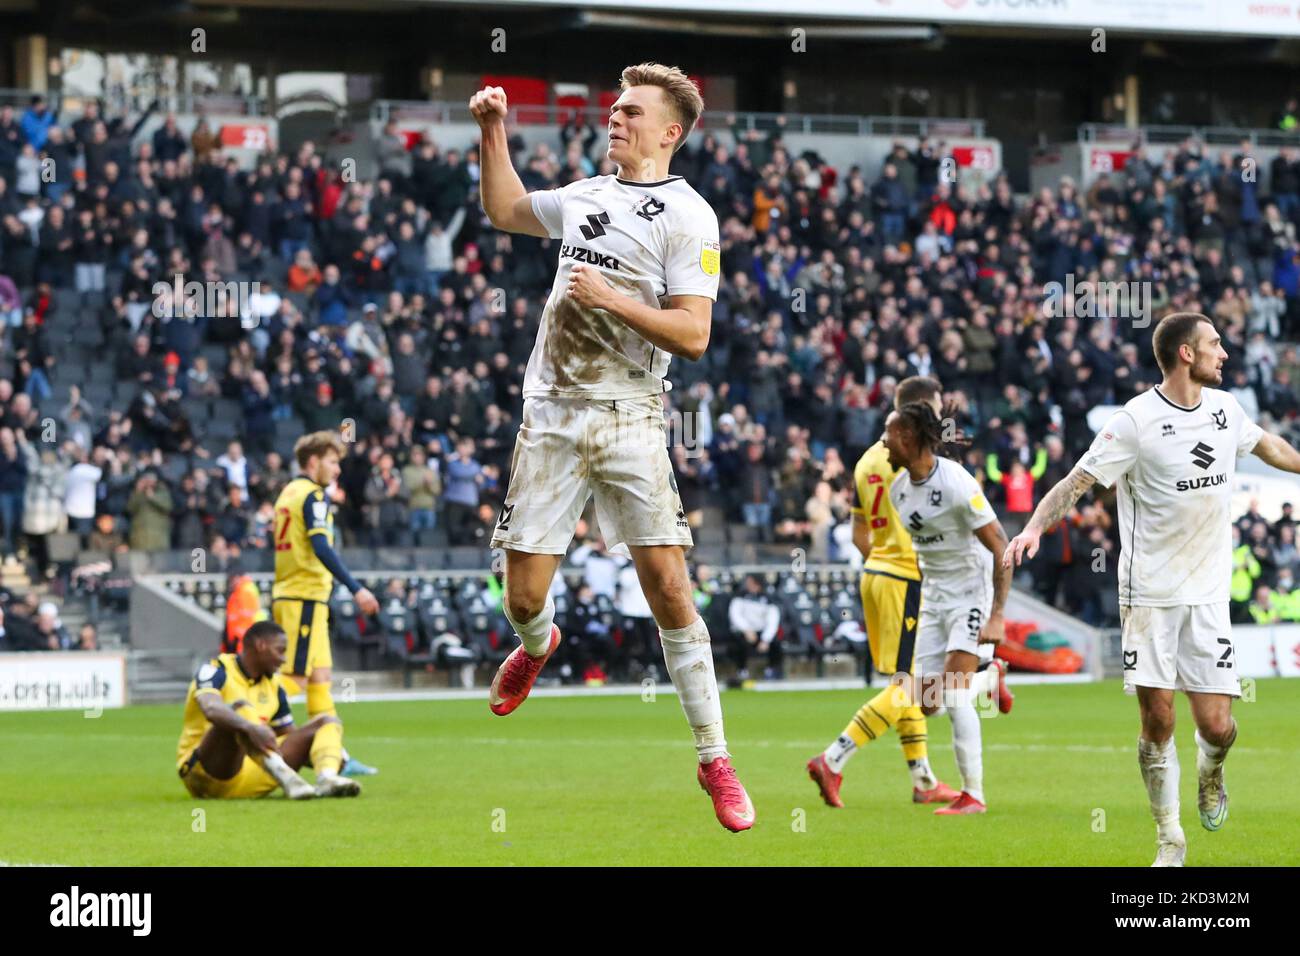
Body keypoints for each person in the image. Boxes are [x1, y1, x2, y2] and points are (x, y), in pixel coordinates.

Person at [469, 64, 754, 832]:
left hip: (631, 412)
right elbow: (503, 208)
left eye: (631, 111)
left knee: (667, 586)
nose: (615, 118)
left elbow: (694, 335)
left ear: (671, 131)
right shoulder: (585, 195)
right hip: (554, 412)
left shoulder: (690, 216)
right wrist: (492, 129)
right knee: (523, 596)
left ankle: (714, 758)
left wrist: (612, 299)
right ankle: (539, 641)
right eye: (615, 107)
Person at [1006, 311, 1300, 866]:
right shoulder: (1133, 423)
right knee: (1158, 719)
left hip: (1209, 597)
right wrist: (1031, 529)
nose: (1225, 353)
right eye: (1215, 344)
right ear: (1186, 353)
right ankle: (1169, 838)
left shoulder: (1226, 409)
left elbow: (1266, 447)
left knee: (1217, 725)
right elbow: (1076, 482)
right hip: (1148, 595)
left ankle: (1210, 772)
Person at [808, 376, 982, 809]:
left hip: (877, 574)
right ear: (922, 411)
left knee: (904, 680)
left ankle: (923, 779)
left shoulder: (869, 459)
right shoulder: (914, 456)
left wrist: (884, 560)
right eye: (937, 408)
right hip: (908, 578)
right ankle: (833, 758)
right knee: (911, 685)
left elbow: (858, 532)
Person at [879, 401, 1012, 815]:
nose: (883, 443)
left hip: (971, 592)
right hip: (936, 599)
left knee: (953, 699)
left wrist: (997, 615)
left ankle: (974, 794)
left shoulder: (957, 483)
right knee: (927, 703)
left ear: (906, 437)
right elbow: (923, 552)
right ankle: (990, 679)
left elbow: (999, 545)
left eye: (888, 434)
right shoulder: (898, 491)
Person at [271, 431, 380, 777]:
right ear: (314, 461)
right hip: (302, 597)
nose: (337, 470)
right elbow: (321, 546)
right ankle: (247, 723)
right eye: (332, 462)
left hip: (303, 597)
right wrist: (356, 588)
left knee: (320, 678)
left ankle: (336, 757)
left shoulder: (288, 493)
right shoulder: (313, 496)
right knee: (294, 678)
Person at [175, 620, 360, 799]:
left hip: (252, 775)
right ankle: (286, 777)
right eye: (280, 651)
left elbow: (288, 737)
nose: (284, 659)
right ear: (261, 645)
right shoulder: (216, 670)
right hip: (206, 772)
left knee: (326, 722)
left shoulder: (274, 687)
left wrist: (327, 753)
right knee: (240, 708)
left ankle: (327, 779)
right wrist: (250, 728)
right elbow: (211, 708)